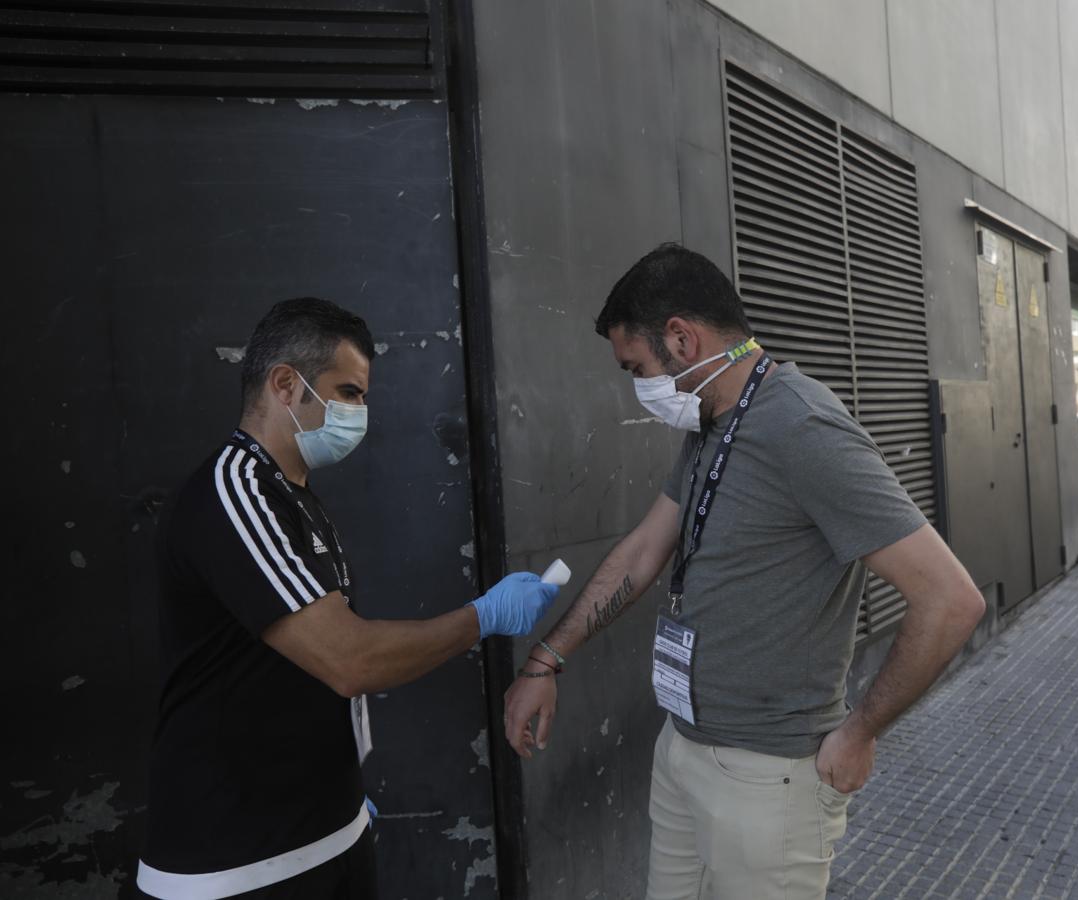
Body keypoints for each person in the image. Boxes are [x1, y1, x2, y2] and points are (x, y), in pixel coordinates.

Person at [503, 245, 986, 900]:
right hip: (682, 748)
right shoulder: (711, 420)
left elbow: (951, 599)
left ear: (682, 337)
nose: (638, 388)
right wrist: (545, 660)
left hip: (768, 780)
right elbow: (647, 548)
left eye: (637, 368)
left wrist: (861, 731)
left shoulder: (803, 425)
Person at [138, 298, 559, 899]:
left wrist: (340, 792)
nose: (361, 411)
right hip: (237, 863)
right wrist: (483, 617)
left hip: (325, 832)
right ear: (287, 384)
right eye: (350, 392)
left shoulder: (297, 496)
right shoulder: (236, 492)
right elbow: (348, 659)